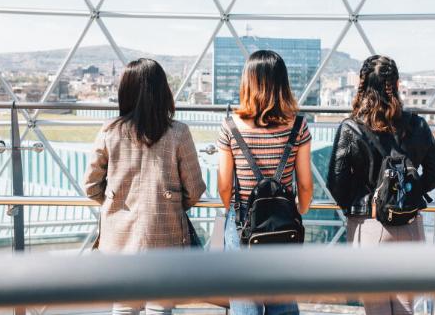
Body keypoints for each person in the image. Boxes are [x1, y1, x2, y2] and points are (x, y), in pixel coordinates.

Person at [83, 58, 206, 315]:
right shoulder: (179, 132)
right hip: (166, 235)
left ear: (125, 91)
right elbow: (194, 190)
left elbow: (91, 186)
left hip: (117, 238)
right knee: (160, 306)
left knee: (123, 305)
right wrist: (168, 203)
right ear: (163, 92)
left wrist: (117, 202)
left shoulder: (109, 131)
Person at [327, 55, 435, 315]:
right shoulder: (418, 124)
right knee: (405, 306)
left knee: (377, 307)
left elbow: (336, 184)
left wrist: (368, 205)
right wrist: (408, 195)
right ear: (398, 84)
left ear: (362, 85)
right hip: (411, 224)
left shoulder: (351, 128)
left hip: (369, 225)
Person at [217, 50, 314, 315]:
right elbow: (305, 185)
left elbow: (225, 187)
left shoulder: (230, 127)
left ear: (247, 81)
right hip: (283, 226)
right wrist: (300, 209)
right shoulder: (298, 126)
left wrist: (232, 213)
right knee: (282, 302)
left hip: (243, 226)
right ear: (282, 83)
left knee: (244, 303)